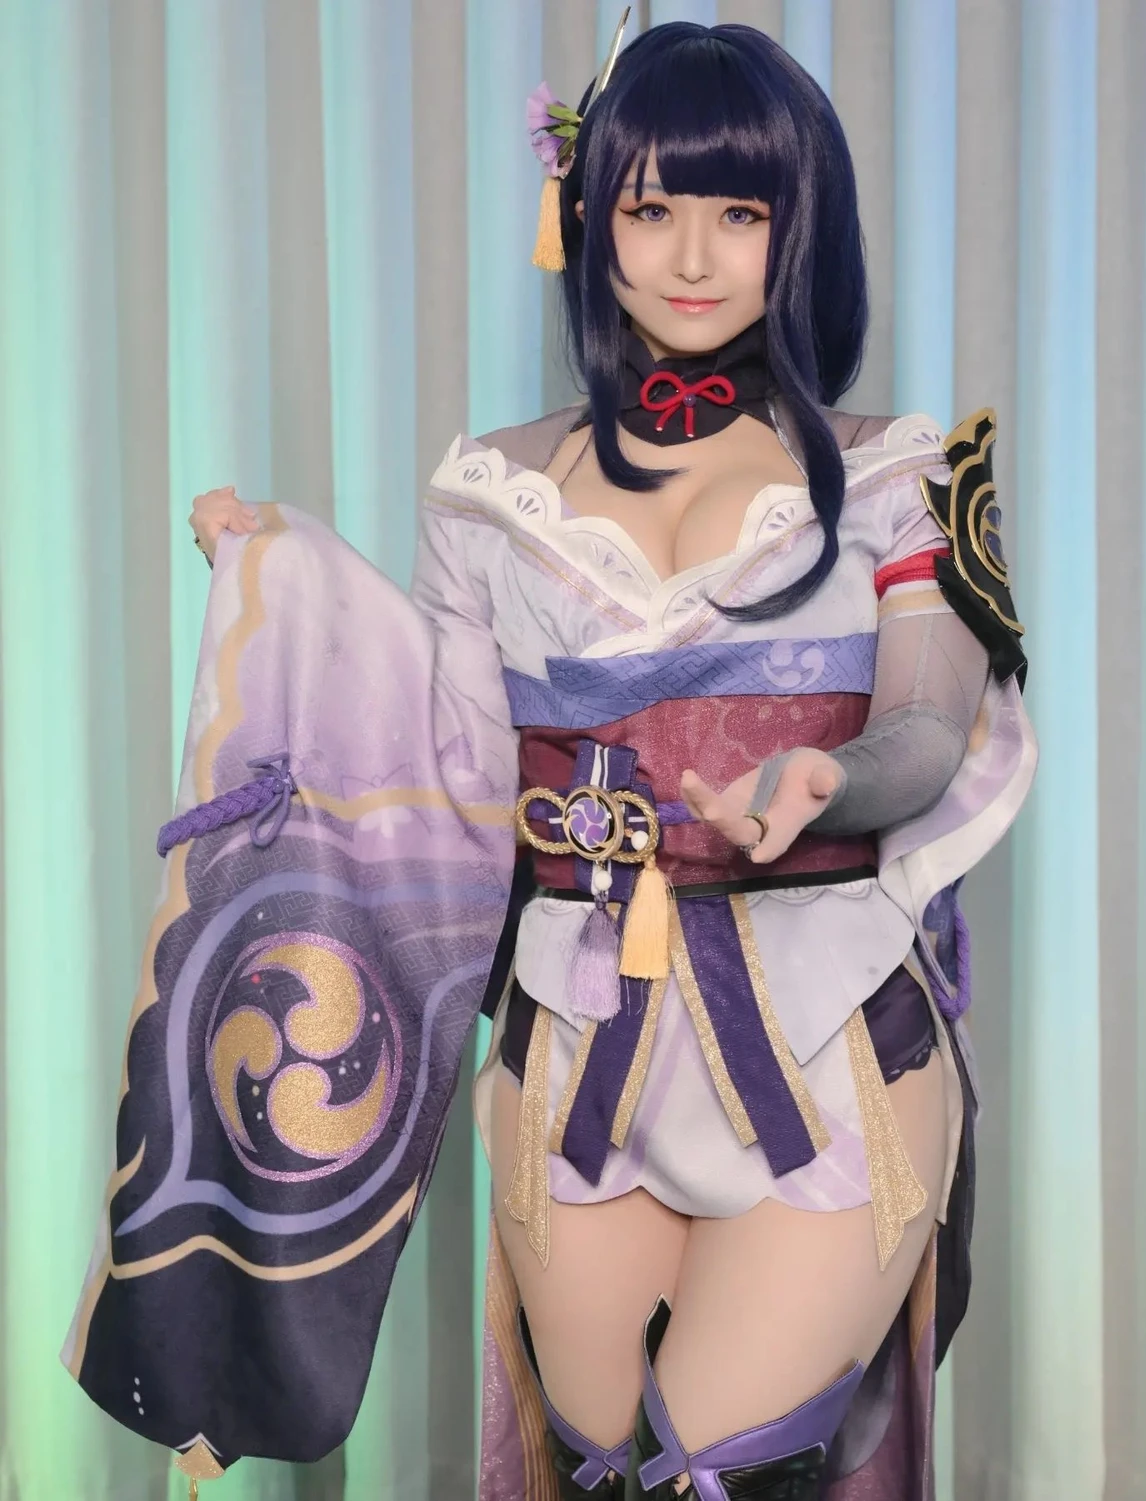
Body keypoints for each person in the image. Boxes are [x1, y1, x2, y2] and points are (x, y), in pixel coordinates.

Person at [65, 20, 1035, 1501]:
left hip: (827, 1027)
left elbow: (923, 728)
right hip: (579, 1033)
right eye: (650, 208)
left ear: (800, 228)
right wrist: (283, 579)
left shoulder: (903, 473)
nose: (692, 257)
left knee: (718, 1464)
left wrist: (826, 782)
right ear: (590, 220)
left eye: (739, 212)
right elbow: (440, 763)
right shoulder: (491, 493)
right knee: (596, 1462)